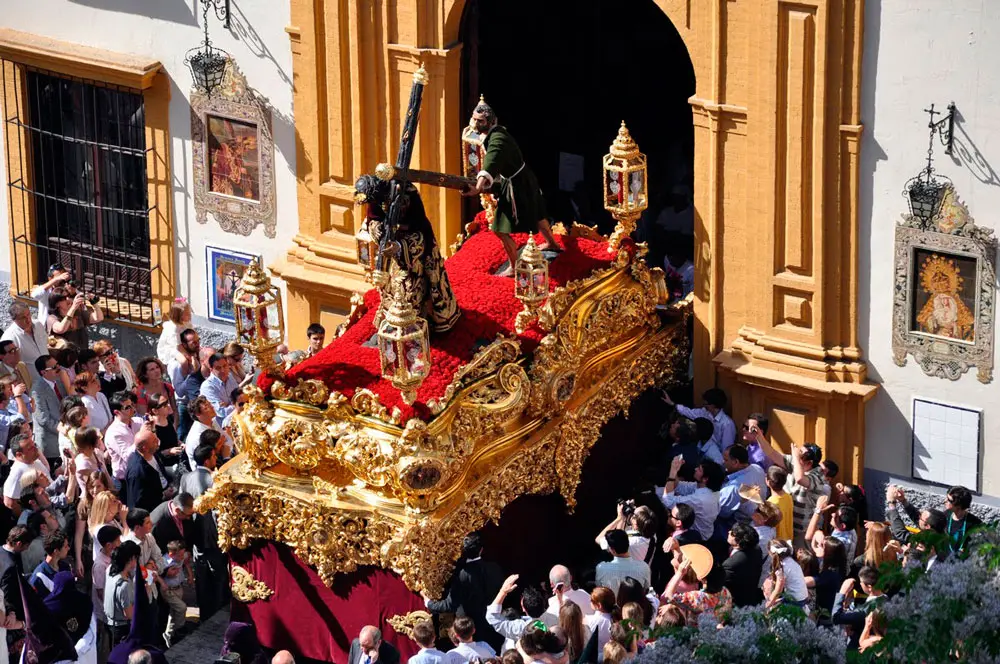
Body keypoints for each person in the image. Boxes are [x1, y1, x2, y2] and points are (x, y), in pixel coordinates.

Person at [462, 99, 560, 276]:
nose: (475, 124)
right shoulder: (494, 133)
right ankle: (551, 243)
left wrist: (477, 188)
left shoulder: (498, 139)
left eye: (480, 121)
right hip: (523, 179)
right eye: (474, 119)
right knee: (537, 212)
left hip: (518, 186)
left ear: (492, 122)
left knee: (500, 229)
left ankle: (514, 267)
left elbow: (490, 162)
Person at [354, 174, 460, 332]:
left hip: (414, 247)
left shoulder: (407, 192)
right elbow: (373, 219)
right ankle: (392, 321)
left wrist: (399, 245)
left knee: (411, 289)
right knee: (390, 287)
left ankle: (416, 325)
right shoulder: (375, 196)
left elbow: (419, 227)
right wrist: (382, 234)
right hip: (390, 247)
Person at [423, 531, 504, 651]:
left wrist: (428, 603)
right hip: (493, 625)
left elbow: (449, 604)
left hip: (470, 629)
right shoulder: (494, 568)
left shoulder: (462, 576)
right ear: (481, 550)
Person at [750, 429, 828, 548]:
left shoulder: (818, 477)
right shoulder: (797, 462)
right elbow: (771, 453)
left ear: (810, 463)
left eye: (800, 454)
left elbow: (800, 479)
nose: (795, 455)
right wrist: (759, 436)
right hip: (785, 521)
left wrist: (796, 458)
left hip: (801, 530)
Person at [657, 457, 725, 542]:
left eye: (699, 470)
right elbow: (680, 487)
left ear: (705, 479)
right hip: (706, 530)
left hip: (696, 536)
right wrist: (676, 470)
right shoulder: (706, 488)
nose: (695, 469)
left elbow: (667, 500)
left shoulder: (701, 499)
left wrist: (672, 472)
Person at [44, 570, 99, 663]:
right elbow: (91, 631)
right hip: (81, 655)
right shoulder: (84, 602)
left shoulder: (46, 606)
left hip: (59, 657)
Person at [486, 573, 549, 652]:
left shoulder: (520, 628)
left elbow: (492, 617)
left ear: (523, 608)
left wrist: (503, 591)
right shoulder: (554, 617)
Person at [661, 388, 737, 452]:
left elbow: (726, 449)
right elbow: (688, 412)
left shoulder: (727, 424)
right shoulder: (704, 412)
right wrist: (672, 404)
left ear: (713, 405)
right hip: (700, 450)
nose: (704, 405)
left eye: (706, 404)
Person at [832, 567, 885, 651]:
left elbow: (836, 617)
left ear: (869, 587)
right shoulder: (889, 601)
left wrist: (842, 591)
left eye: (861, 582)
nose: (860, 584)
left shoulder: (865, 611)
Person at [125, 425, 173, 512]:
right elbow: (140, 501)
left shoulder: (152, 452)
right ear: (145, 448)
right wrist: (163, 495)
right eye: (154, 441)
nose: (158, 441)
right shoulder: (137, 472)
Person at [92, 524, 122, 660]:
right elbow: (100, 592)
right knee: (106, 644)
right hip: (105, 614)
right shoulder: (100, 565)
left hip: (113, 610)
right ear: (109, 545)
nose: (120, 543)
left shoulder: (113, 557)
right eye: (118, 541)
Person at [2, 302, 51, 383]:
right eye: (23, 318)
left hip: (51, 377)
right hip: (34, 384)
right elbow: (9, 370)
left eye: (28, 314)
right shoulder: (9, 339)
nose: (28, 320)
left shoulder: (38, 325)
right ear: (14, 320)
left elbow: (46, 344)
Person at [104, 539, 140, 646]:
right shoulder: (124, 585)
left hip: (110, 623)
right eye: (136, 558)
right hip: (122, 628)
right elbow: (128, 614)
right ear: (131, 559)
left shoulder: (110, 570)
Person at [32, 354, 65, 467]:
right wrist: (63, 429)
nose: (58, 369)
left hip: (64, 438)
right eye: (54, 367)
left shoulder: (60, 381)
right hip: (51, 445)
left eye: (58, 365)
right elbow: (44, 419)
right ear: (43, 372)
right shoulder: (37, 391)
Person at [594, 529, 651, 595]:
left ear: (612, 550)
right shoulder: (644, 567)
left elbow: (600, 590)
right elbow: (646, 590)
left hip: (612, 604)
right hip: (636, 604)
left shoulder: (601, 568)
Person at [105, 391, 142, 487]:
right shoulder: (113, 433)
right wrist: (141, 437)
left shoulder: (138, 421)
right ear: (117, 412)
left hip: (143, 470)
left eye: (132, 405)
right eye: (127, 407)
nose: (133, 409)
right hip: (126, 481)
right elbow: (128, 456)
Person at [722, 522, 763, 607]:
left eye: (732, 533)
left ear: (739, 542)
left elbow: (723, 584)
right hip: (751, 593)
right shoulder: (757, 549)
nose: (729, 532)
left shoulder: (730, 564)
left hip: (737, 601)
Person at [160, 540, 190, 647]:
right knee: (182, 608)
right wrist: (165, 575)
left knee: (174, 612)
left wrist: (190, 574)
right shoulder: (163, 562)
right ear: (172, 554)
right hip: (169, 590)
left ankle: (168, 634)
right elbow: (156, 574)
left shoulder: (181, 557)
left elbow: (187, 557)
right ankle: (179, 630)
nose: (182, 557)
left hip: (178, 588)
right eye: (180, 555)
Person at [764, 539, 808, 609]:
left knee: (772, 608)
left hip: (796, 601)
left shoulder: (782, 567)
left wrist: (767, 604)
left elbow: (778, 590)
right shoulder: (791, 560)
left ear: (771, 553)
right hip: (803, 597)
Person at [29, 529, 71, 596]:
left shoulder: (65, 567)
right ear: (56, 551)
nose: (68, 548)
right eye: (65, 546)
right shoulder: (39, 577)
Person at [943, 485, 983, 554]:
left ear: (959, 505)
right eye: (946, 497)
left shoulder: (974, 523)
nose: (945, 501)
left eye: (949, 500)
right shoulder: (945, 516)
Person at [156, 299, 192, 366]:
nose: (190, 315)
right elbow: (178, 347)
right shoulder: (173, 329)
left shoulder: (187, 323)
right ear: (179, 316)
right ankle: (182, 375)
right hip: (172, 349)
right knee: (184, 361)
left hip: (183, 344)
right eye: (187, 313)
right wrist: (189, 356)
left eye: (190, 312)